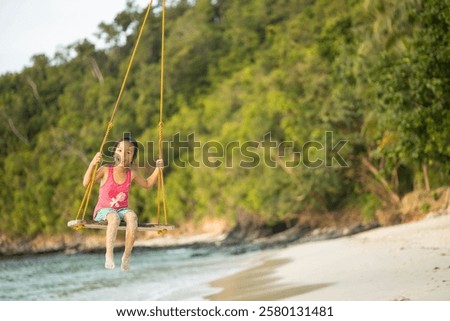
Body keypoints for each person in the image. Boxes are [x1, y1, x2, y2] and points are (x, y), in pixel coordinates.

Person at [83, 134, 163, 271]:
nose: (123, 155)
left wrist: (157, 169)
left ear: (132, 157)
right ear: (114, 152)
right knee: (113, 218)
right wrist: (92, 164)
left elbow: (148, 184)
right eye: (119, 150)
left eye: (128, 152)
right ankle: (109, 254)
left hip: (122, 210)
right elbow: (86, 183)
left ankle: (126, 257)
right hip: (103, 210)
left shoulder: (131, 174)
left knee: (132, 217)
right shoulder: (105, 170)